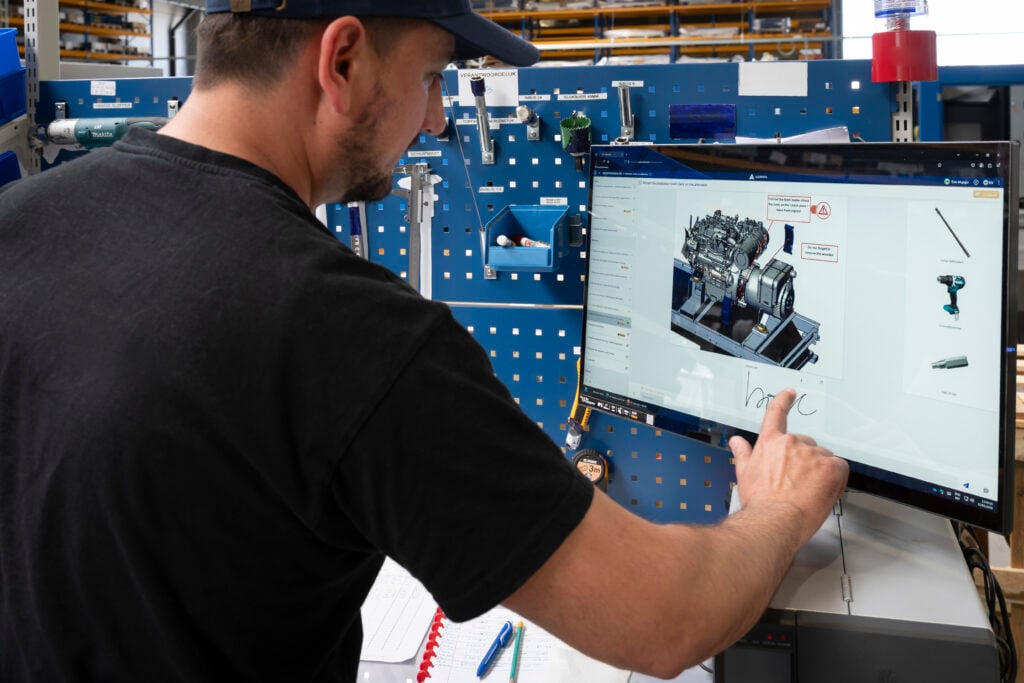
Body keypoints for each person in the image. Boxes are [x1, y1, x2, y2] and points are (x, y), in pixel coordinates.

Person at [0, 1, 849, 681]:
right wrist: (783, 504)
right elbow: (667, 620)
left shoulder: (18, 224)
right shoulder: (343, 327)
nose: (440, 119)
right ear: (342, 60)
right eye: (434, 77)